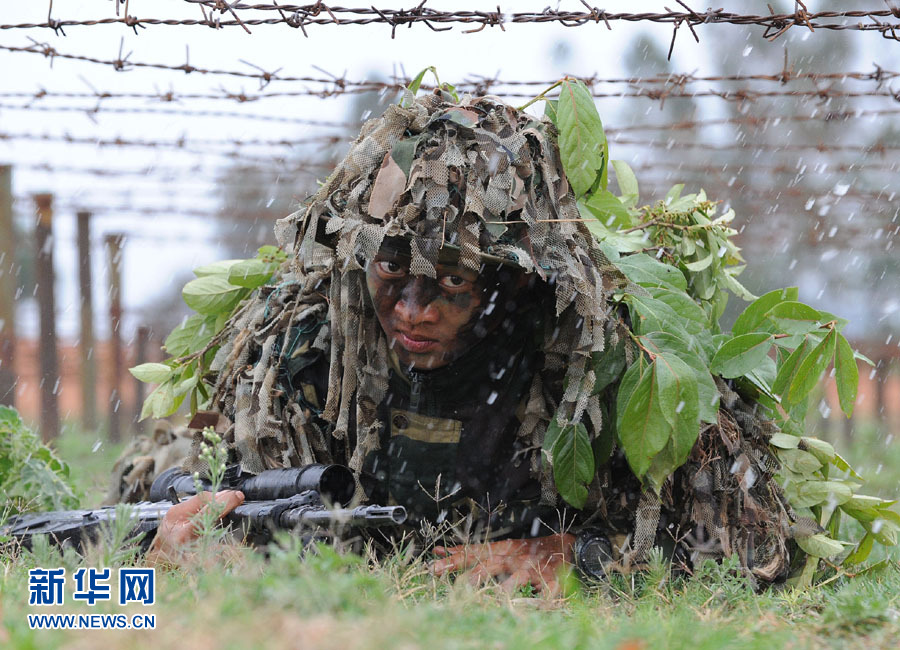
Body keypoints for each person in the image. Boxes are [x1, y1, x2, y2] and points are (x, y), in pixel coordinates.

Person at [124, 90, 794, 591]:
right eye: (391, 269)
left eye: (449, 279)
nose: (412, 311)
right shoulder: (310, 343)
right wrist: (191, 529)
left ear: (514, 281)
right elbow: (182, 490)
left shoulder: (600, 358)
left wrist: (571, 559)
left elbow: (757, 547)